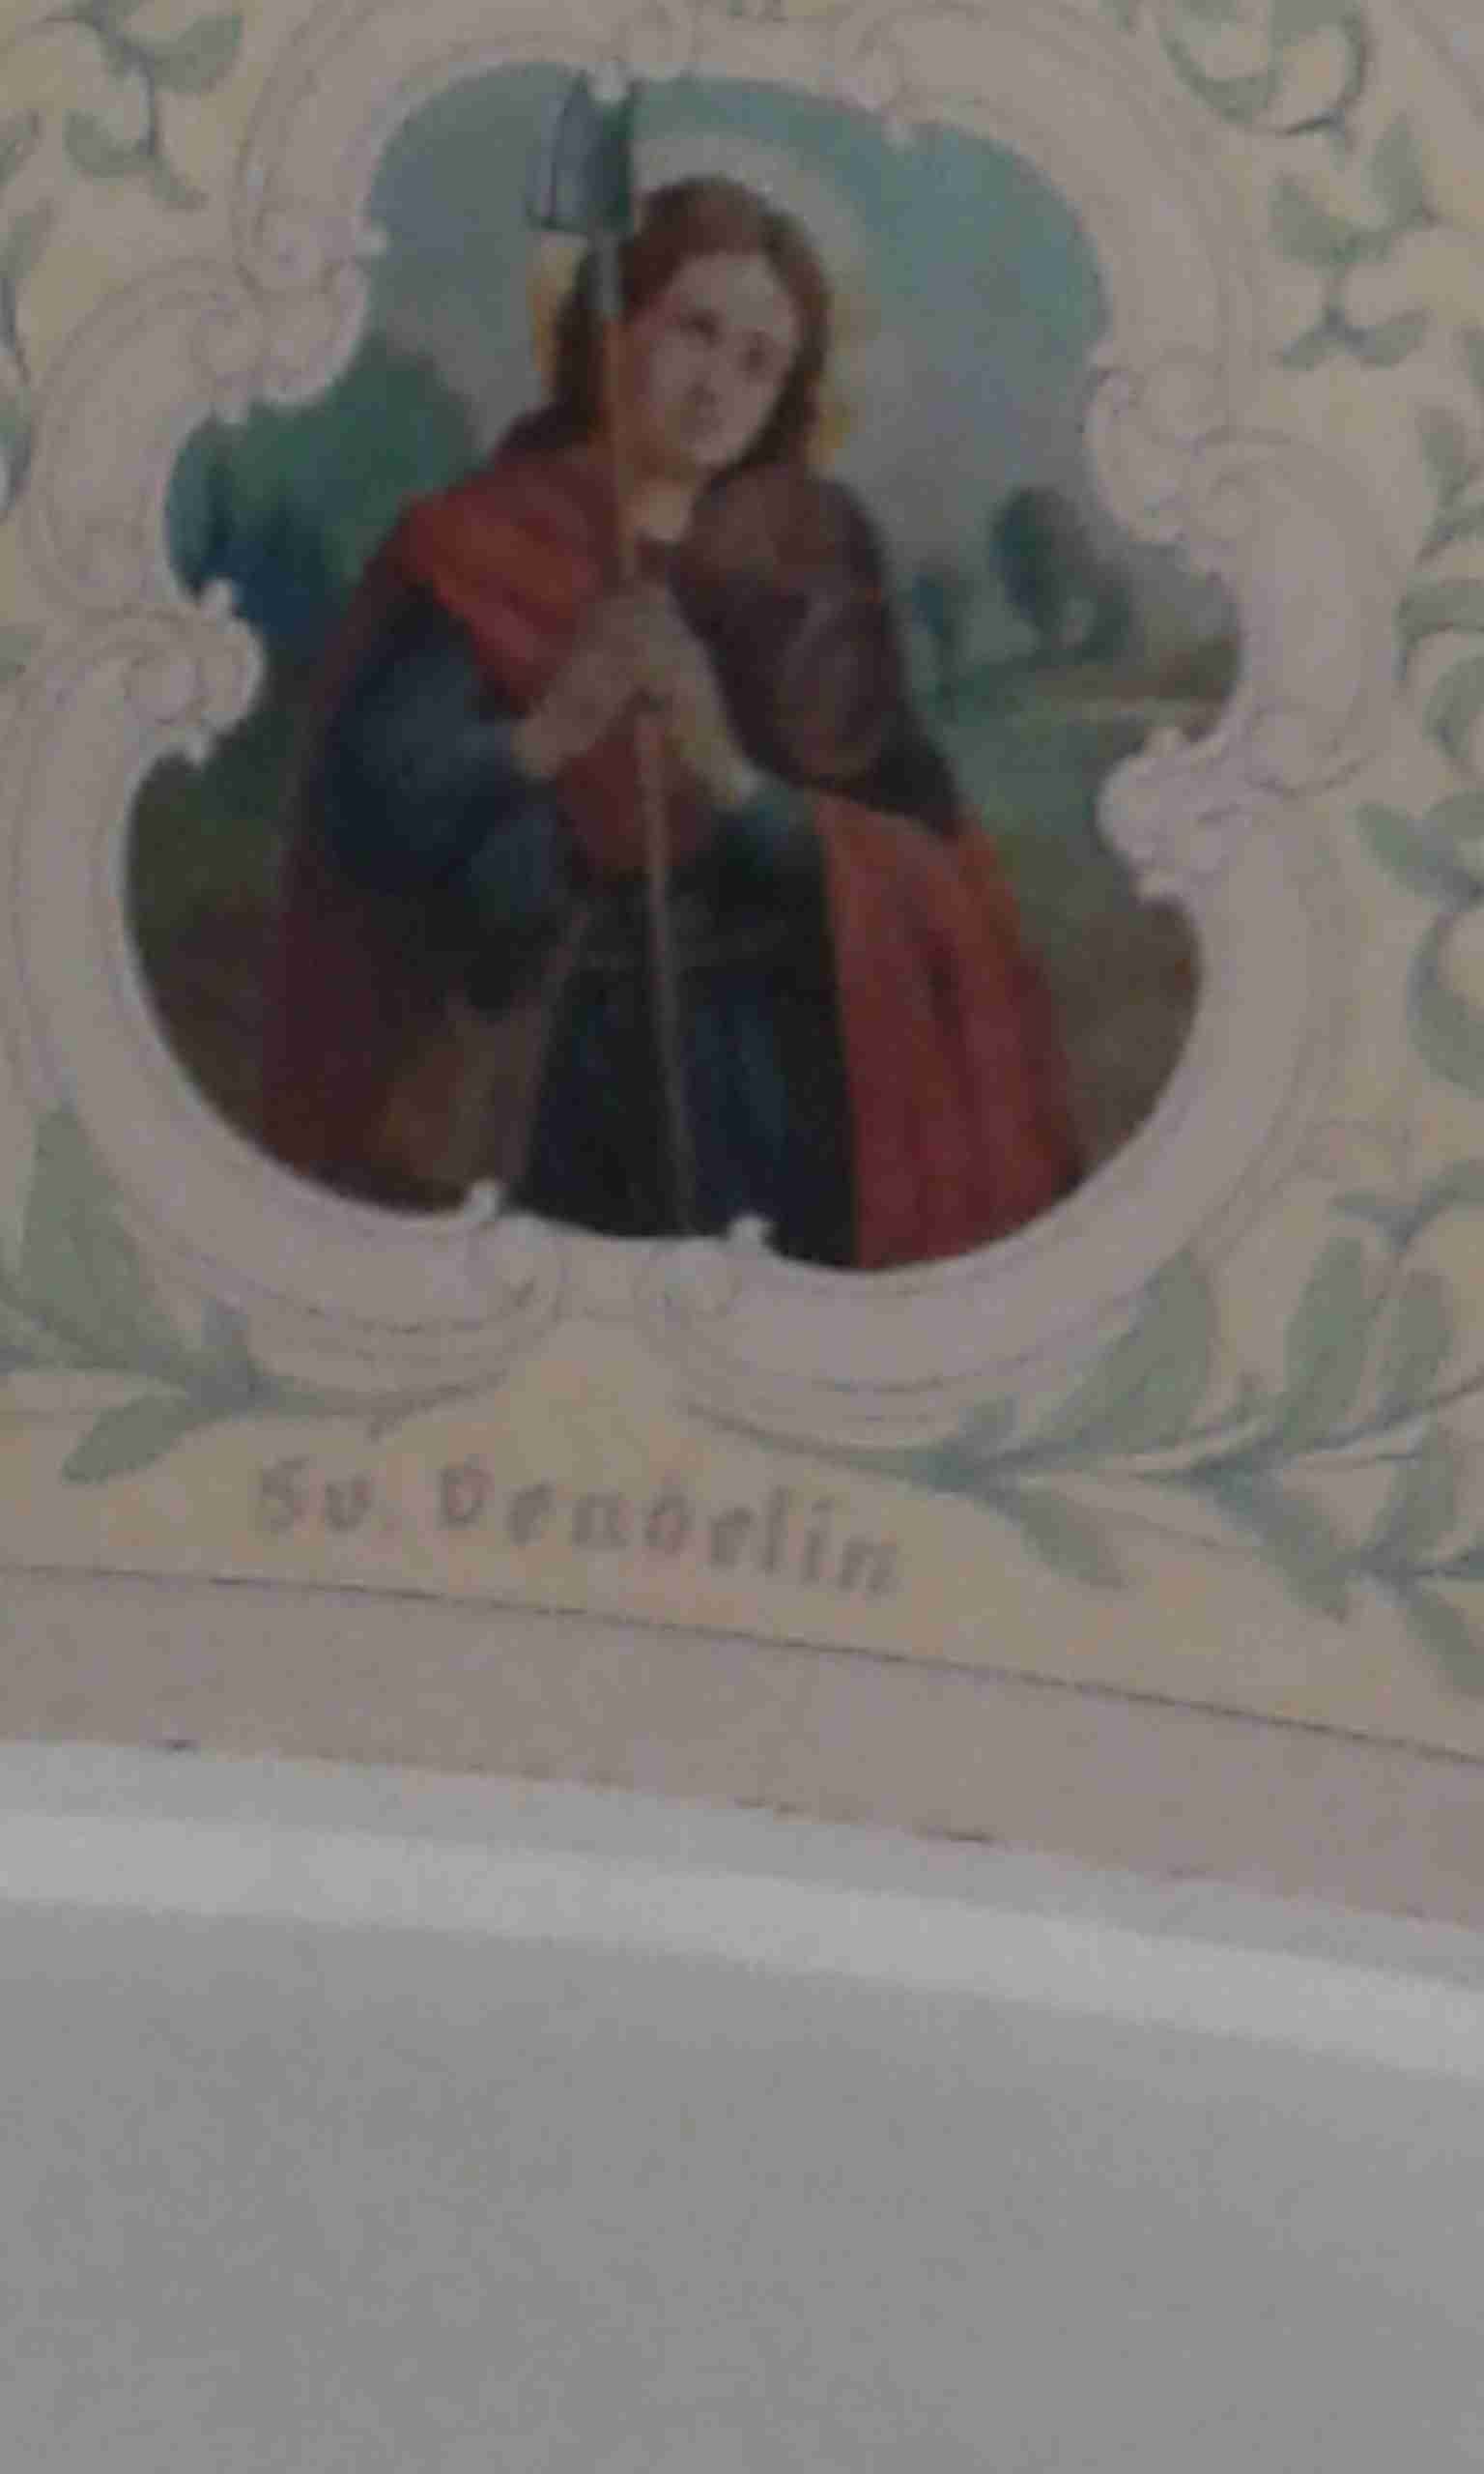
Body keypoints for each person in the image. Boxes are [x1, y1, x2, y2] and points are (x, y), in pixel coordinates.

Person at [262, 177, 1079, 1268]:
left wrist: (730, 779)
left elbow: (920, 844)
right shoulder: (483, 544)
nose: (717, 386)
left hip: (795, 1076)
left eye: (759, 361)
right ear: (614, 326)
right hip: (574, 1073)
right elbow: (366, 812)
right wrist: (553, 729)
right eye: (696, 329)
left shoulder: (814, 558)